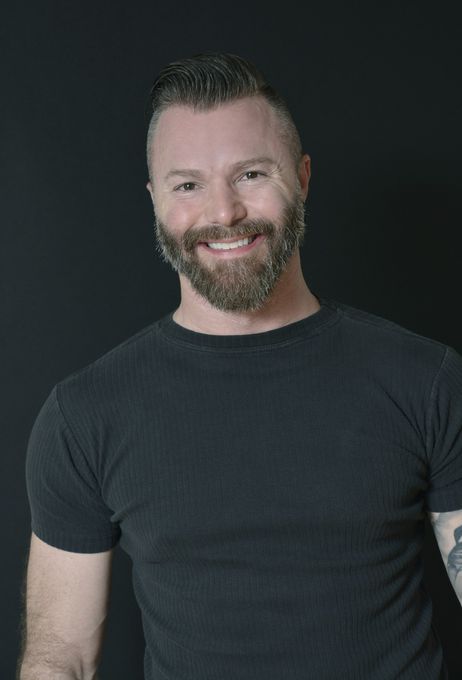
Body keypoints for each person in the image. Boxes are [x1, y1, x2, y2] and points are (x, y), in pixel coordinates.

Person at [18, 52, 462, 680]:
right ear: (155, 200)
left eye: (251, 174)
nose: (223, 213)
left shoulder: (427, 381)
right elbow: (60, 657)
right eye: (188, 185)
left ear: (302, 178)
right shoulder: (84, 416)